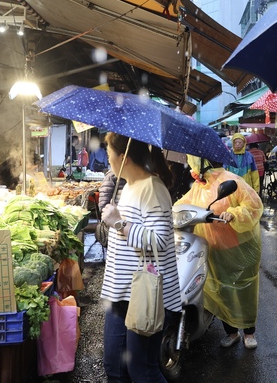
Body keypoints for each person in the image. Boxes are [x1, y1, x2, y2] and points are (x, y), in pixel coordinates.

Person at [99, 133, 181, 383]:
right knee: (115, 368)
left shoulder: (152, 189)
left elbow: (159, 241)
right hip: (120, 294)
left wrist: (120, 223)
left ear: (123, 157)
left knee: (142, 370)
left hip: (145, 296)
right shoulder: (128, 188)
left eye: (109, 152)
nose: (108, 158)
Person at [176, 155, 262, 349]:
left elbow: (254, 204)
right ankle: (231, 332)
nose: (191, 165)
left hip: (239, 247)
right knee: (223, 291)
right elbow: (183, 204)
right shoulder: (199, 187)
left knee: (244, 291)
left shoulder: (231, 181)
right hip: (214, 248)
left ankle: (249, 332)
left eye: (193, 161)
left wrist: (235, 213)